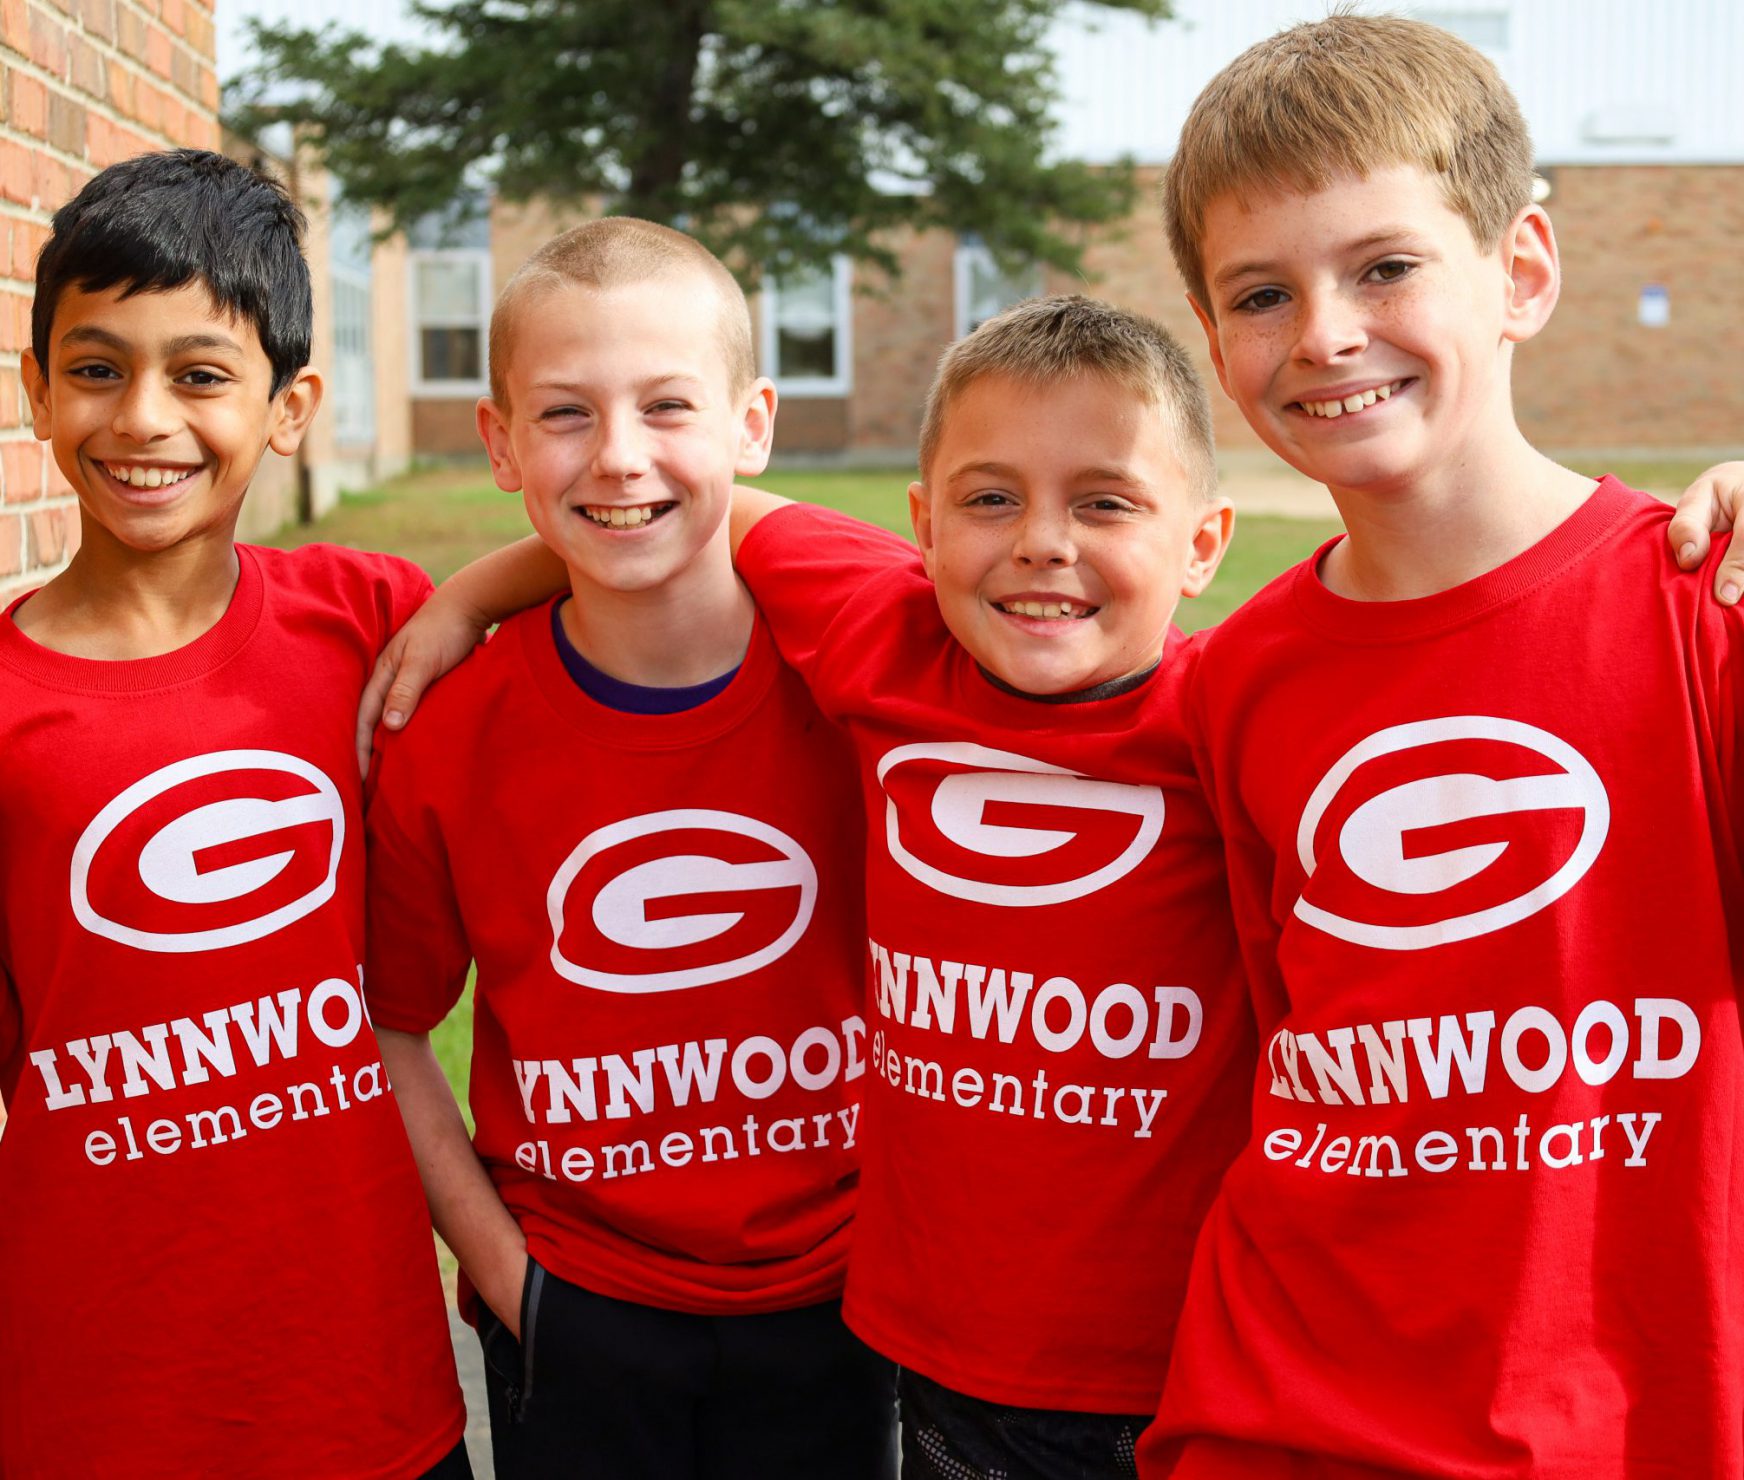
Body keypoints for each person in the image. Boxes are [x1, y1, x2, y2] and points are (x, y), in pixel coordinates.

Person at [383, 290, 1256, 1479]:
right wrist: (472, 596)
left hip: (1172, 1371)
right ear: (925, 528)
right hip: (930, 1358)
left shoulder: (1241, 720)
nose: (1042, 541)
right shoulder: (882, 640)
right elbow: (668, 504)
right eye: (991, 498)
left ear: (1203, 541)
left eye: (1102, 501)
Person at [1136, 15, 1744, 1476]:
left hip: (1626, 1421)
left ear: (1522, 268)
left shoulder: (1707, 608)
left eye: (1385, 266)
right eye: (1262, 293)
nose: (1326, 334)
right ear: (1215, 342)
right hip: (1277, 1414)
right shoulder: (1233, 683)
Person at [361, 217, 895, 1480]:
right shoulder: (452, 740)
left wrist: (472, 585)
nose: (618, 456)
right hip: (578, 1310)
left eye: (668, 405)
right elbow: (388, 1024)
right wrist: (510, 1277)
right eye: (564, 415)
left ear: (751, 423)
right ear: (497, 441)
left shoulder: (866, 672)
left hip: (848, 1298)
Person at [0, 149, 467, 1478]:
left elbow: (649, 559)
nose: (142, 417)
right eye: (96, 368)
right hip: (95, 1396)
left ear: (290, 406)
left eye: (200, 373)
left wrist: (488, 588)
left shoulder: (371, 619)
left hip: (365, 1384)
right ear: (36, 391)